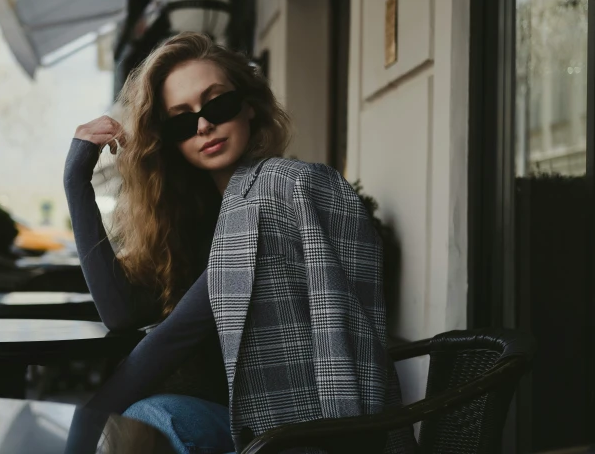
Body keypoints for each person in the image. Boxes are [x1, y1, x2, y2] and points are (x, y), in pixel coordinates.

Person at [64, 33, 413, 454]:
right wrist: (76, 183)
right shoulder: (190, 217)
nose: (204, 124)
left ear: (249, 104)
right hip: (222, 421)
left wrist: (89, 420)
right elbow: (120, 313)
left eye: (218, 104)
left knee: (143, 424)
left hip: (287, 433)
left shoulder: (275, 195)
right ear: (169, 139)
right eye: (181, 119)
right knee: (147, 421)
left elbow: (174, 337)